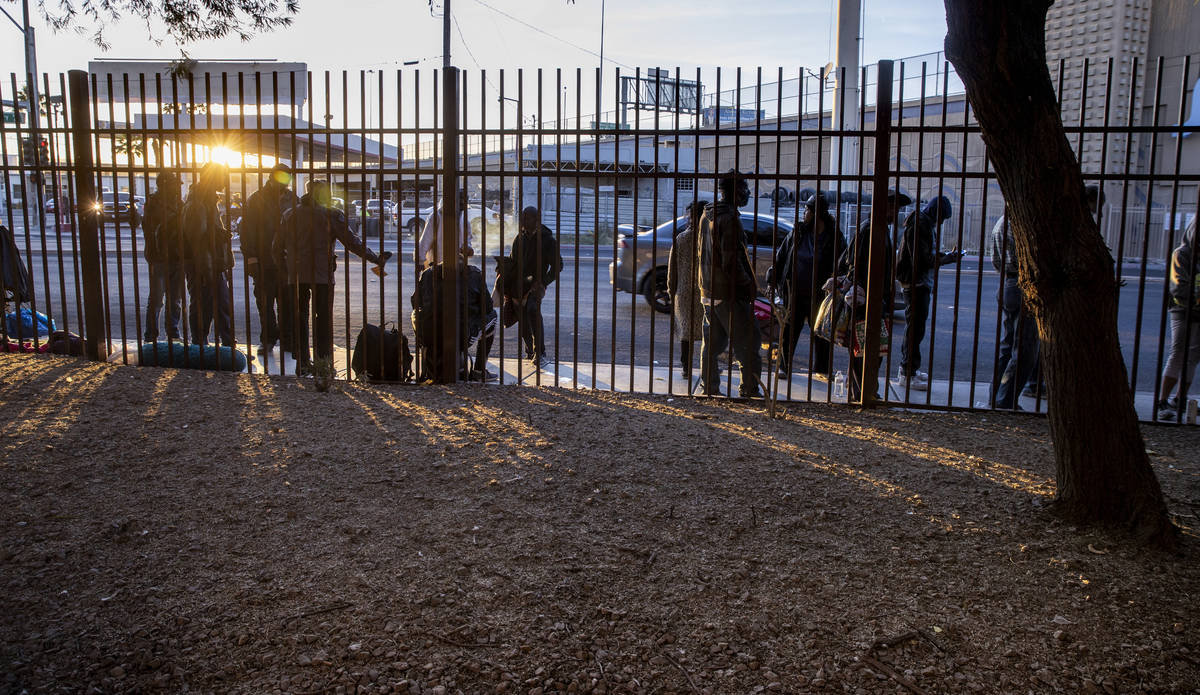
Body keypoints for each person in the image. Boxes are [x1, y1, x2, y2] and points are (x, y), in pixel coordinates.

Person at [275, 179, 391, 373]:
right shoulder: (331, 215)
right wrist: (375, 259)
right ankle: (324, 364)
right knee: (323, 321)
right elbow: (352, 243)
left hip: (296, 275)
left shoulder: (290, 214)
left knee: (300, 319)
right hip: (322, 276)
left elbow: (276, 247)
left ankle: (302, 363)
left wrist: (285, 270)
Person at [840, 189, 910, 403]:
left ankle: (864, 391)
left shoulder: (875, 229)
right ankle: (863, 393)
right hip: (867, 302)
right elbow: (856, 266)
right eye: (892, 207)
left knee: (870, 349)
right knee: (866, 350)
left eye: (896, 208)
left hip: (873, 301)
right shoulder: (870, 230)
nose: (895, 212)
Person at [698, 170, 762, 398]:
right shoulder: (730, 218)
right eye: (744, 189)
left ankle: (709, 387)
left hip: (709, 289)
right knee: (749, 343)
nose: (747, 194)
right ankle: (750, 389)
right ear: (736, 192)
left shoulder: (707, 215)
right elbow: (731, 262)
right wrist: (748, 287)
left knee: (712, 345)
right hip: (728, 292)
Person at [767, 192, 844, 381]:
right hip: (795, 291)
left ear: (817, 213)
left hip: (820, 293)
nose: (803, 213)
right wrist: (772, 278)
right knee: (790, 330)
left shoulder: (833, 236)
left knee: (822, 331)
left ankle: (822, 369)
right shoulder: (799, 232)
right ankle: (784, 366)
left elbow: (842, 262)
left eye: (807, 210)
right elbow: (781, 255)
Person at [894, 195, 958, 392]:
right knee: (915, 329)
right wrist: (946, 260)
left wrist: (943, 256)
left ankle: (908, 369)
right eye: (941, 218)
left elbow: (923, 255)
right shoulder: (921, 226)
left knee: (915, 328)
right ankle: (907, 373)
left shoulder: (922, 224)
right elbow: (921, 259)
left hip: (916, 281)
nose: (941, 222)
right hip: (916, 282)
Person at [240, 163, 300, 354]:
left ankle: (287, 340)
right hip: (264, 259)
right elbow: (247, 232)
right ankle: (268, 339)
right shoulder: (256, 199)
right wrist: (251, 259)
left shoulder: (293, 199)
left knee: (288, 303)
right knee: (265, 303)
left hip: (286, 261)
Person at [411, 256, 496, 382]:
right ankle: (479, 370)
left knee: (416, 314)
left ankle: (426, 363)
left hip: (429, 333)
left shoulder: (428, 273)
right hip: (461, 335)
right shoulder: (474, 274)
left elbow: (416, 302)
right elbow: (487, 307)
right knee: (493, 316)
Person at [181, 162, 236, 348]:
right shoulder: (198, 202)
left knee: (218, 303)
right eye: (223, 177)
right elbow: (196, 237)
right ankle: (201, 344)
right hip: (203, 263)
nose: (225, 182)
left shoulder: (205, 200)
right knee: (205, 304)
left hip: (212, 262)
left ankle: (222, 343)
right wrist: (217, 235)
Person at [990, 208, 1038, 409]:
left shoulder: (1001, 223)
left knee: (1007, 345)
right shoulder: (1022, 225)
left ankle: (997, 397)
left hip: (1007, 282)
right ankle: (1006, 401)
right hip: (1023, 285)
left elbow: (996, 260)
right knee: (1024, 349)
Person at [1157, 215, 1200, 421]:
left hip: (1196, 310)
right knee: (1178, 353)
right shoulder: (1182, 253)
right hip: (1182, 310)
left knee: (1192, 357)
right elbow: (1179, 287)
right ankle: (1163, 400)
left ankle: (1180, 399)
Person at [510, 206, 562, 369]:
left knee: (532, 310)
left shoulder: (547, 240)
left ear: (537, 219)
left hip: (537, 283)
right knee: (522, 316)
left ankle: (539, 352)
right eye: (523, 218)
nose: (524, 221)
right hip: (519, 283)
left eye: (528, 218)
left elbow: (558, 265)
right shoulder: (520, 238)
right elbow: (513, 261)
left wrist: (543, 282)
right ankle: (530, 350)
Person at [141, 170, 184, 343]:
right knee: (157, 300)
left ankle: (172, 332)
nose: (177, 188)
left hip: (176, 256)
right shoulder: (154, 203)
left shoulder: (178, 203)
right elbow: (150, 231)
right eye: (174, 184)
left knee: (175, 299)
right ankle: (151, 335)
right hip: (159, 257)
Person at [667, 199, 708, 380]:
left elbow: (671, 270)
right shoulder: (709, 239)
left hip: (683, 292)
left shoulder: (681, 239)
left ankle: (686, 368)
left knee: (686, 332)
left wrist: (671, 290)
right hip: (705, 291)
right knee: (707, 330)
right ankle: (708, 367)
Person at [417, 189, 474, 268]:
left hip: (457, 264)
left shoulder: (464, 219)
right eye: (460, 199)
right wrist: (420, 261)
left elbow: (467, 240)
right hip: (437, 264)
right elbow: (426, 240)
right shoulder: (436, 217)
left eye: (465, 200)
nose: (463, 202)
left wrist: (468, 248)